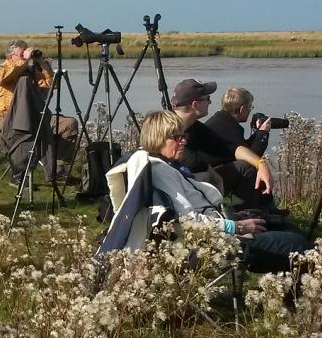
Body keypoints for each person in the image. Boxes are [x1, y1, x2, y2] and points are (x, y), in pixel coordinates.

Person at [100, 110, 309, 272]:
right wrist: (236, 226)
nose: (184, 140)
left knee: (282, 226)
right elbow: (188, 221)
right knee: (298, 244)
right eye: (177, 137)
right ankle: (297, 301)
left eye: (184, 135)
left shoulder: (159, 164)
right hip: (208, 244)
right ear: (159, 138)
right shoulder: (159, 172)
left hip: (214, 227)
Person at [0, 40, 78, 184]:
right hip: (7, 118)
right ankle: (19, 173)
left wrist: (41, 63)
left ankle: (57, 168)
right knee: (26, 128)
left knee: (69, 124)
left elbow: (52, 84)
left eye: (27, 54)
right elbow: (6, 78)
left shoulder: (28, 72)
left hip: (34, 116)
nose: (26, 57)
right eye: (22, 54)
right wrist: (25, 60)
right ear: (11, 56)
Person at [171, 78, 273, 202]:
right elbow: (195, 165)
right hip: (183, 190)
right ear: (195, 105)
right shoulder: (167, 131)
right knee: (234, 170)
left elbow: (230, 148)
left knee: (246, 166)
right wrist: (215, 178)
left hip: (195, 181)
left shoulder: (195, 126)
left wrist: (260, 164)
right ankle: (239, 210)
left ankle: (254, 210)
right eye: (207, 99)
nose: (210, 102)